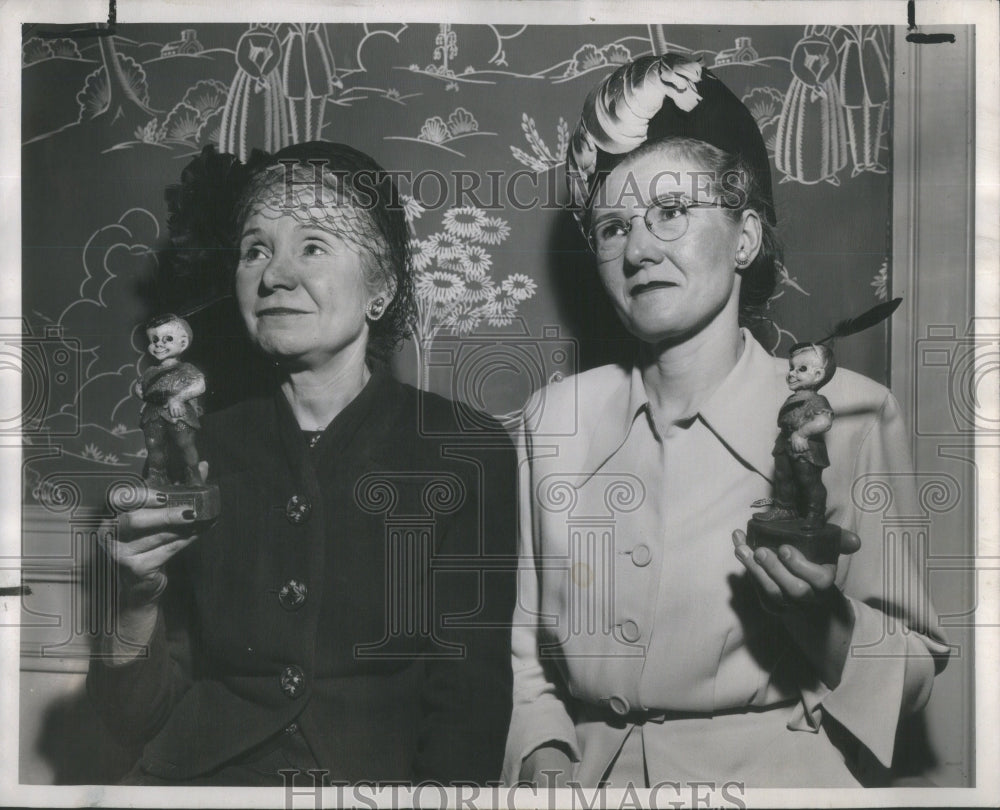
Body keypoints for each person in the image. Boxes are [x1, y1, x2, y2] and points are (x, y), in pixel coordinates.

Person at [503, 54, 949, 788]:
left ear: (746, 238)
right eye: (613, 226)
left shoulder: (843, 418)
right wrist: (544, 747)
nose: (639, 248)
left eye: (672, 211)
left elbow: (913, 681)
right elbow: (529, 658)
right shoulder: (555, 420)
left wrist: (820, 619)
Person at [88, 142, 517, 785]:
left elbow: (468, 716)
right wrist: (132, 605)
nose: (274, 275)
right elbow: (134, 723)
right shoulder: (194, 451)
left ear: (383, 287)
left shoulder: (465, 451)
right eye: (255, 249)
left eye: (313, 245)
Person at [754, 342, 835, 528]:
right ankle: (785, 509)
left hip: (806, 448)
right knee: (783, 477)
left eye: (802, 369)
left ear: (818, 375)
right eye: (791, 368)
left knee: (808, 481)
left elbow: (824, 422)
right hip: (785, 443)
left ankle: (816, 514)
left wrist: (803, 433)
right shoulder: (795, 397)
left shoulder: (817, 400)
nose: (791, 373)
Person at [136, 314, 205, 487]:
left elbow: (199, 385)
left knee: (184, 443)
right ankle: (157, 475)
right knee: (154, 446)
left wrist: (179, 398)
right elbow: (140, 388)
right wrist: (146, 398)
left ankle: (193, 474)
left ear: (183, 343)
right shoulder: (150, 371)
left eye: (167, 339)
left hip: (178, 413)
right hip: (153, 414)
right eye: (154, 339)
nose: (159, 344)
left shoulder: (186, 368)